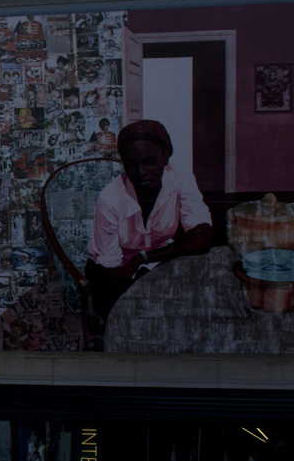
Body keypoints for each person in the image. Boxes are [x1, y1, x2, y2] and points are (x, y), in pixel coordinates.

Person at [85, 119, 212, 321]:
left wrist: (143, 259)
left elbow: (202, 237)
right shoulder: (110, 200)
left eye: (149, 161)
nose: (141, 172)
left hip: (154, 262)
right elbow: (111, 271)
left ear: (165, 156)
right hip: (112, 274)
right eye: (131, 165)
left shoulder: (179, 177)